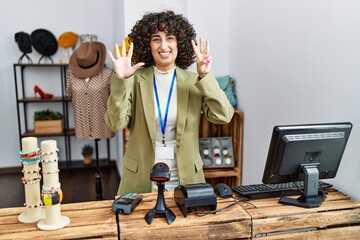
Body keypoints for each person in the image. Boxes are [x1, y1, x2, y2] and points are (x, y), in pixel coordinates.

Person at [105, 10, 234, 195]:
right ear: (147, 44)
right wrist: (121, 79)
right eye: (156, 39)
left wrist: (205, 76)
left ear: (179, 42)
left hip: (185, 175)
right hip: (142, 175)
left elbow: (224, 116)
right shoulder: (134, 79)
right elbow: (115, 123)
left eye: (170, 38)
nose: (163, 45)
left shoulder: (194, 81)